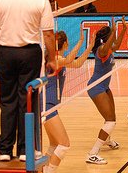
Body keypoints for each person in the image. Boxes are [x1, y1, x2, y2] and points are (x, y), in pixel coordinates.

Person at [0, 0, 56, 162]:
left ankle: (5, 150)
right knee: (27, 100)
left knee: (7, 101)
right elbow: (49, 35)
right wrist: (52, 60)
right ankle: (25, 150)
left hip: (5, 52)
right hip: (29, 53)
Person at [42, 29, 96, 173]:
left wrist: (89, 47)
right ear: (65, 43)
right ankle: (48, 171)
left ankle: (41, 169)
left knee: (54, 144)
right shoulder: (55, 59)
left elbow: (77, 63)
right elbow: (68, 60)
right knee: (64, 144)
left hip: (49, 106)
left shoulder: (57, 59)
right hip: (47, 106)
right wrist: (80, 42)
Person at [86, 17, 127, 165]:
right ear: (107, 38)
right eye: (112, 35)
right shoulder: (101, 50)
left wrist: (124, 30)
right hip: (96, 87)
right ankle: (92, 153)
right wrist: (114, 31)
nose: (114, 38)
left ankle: (107, 139)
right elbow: (110, 45)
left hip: (105, 87)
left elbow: (116, 45)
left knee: (112, 118)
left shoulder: (108, 49)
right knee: (110, 121)